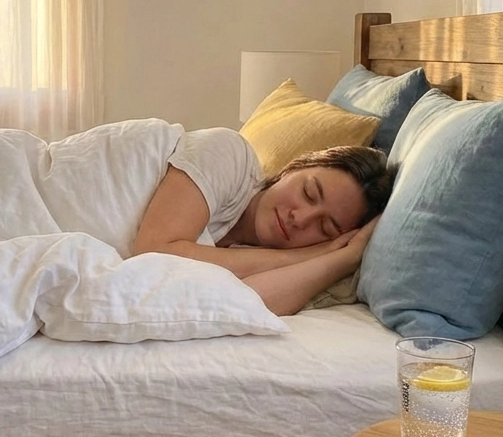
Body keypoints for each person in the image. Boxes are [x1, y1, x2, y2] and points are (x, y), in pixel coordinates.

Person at [133, 128, 394, 317]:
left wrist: (344, 258)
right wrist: (313, 252)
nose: (300, 218)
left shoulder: (252, 258)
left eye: (324, 228)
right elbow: (154, 255)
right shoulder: (229, 153)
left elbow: (240, 305)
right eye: (308, 193)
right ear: (293, 168)